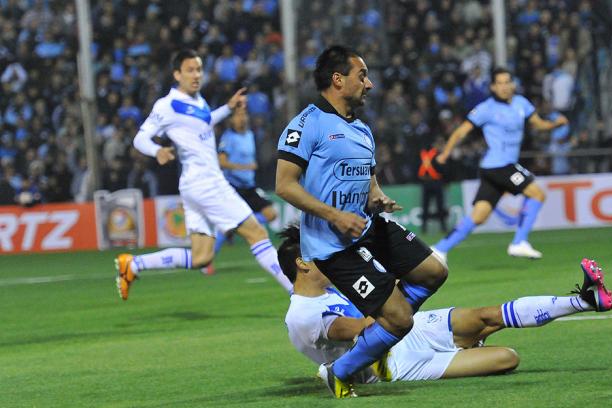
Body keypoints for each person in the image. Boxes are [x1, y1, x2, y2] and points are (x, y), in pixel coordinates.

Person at [274, 45, 448, 398]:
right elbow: (284, 185)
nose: (369, 84)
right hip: (332, 245)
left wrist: (377, 196)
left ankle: (376, 340)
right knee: (401, 319)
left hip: (368, 226)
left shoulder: (363, 130)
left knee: (435, 272)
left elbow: (369, 180)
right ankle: (341, 371)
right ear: (338, 80)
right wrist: (335, 215)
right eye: (362, 75)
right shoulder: (306, 124)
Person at [278, 225, 612, 394]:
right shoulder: (303, 315)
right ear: (302, 264)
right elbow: (364, 330)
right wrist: (392, 286)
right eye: (319, 253)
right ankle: (471, 344)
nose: (329, 256)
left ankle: (584, 300)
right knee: (507, 357)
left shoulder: (333, 288)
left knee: (485, 315)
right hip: (396, 364)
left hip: (412, 328)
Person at [115, 49, 293, 301]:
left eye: (199, 69)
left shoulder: (198, 102)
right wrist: (157, 151)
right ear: (177, 74)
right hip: (206, 182)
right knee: (258, 234)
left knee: (201, 257)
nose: (196, 74)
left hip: (192, 185)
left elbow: (204, 121)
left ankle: (132, 264)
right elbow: (140, 138)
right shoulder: (167, 105)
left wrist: (227, 109)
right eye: (190, 70)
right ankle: (299, 294)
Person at [433, 68, 568, 261]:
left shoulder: (522, 103)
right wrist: (445, 153)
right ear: (493, 87)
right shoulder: (486, 108)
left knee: (479, 215)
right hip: (499, 165)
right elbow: (461, 131)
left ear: (513, 84)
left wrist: (555, 124)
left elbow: (538, 124)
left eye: (507, 82)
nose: (504, 87)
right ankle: (519, 242)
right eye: (500, 83)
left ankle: (440, 249)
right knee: (538, 194)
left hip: (495, 168)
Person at [214, 108, 277, 255]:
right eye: (239, 115)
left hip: (249, 186)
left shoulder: (249, 135)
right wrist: (245, 167)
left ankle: (236, 226)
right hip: (233, 186)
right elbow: (221, 162)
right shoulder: (228, 137)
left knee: (271, 214)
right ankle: (206, 264)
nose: (243, 118)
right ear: (231, 120)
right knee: (228, 223)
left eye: (244, 114)